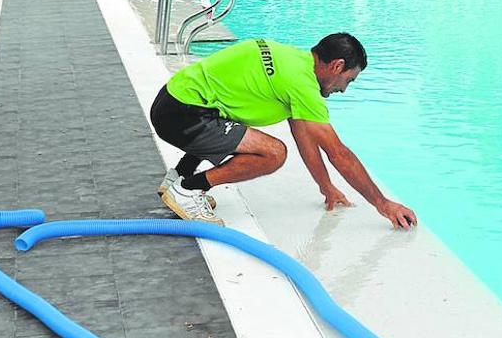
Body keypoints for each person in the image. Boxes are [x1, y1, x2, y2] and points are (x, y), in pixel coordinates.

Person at [150, 33, 417, 230]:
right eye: (348, 80)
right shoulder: (302, 84)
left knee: (231, 120)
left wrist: (326, 187)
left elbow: (306, 138)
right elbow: (339, 154)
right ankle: (188, 190)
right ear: (337, 66)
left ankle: (178, 177)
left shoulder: (293, 61)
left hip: (172, 102)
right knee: (273, 153)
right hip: (183, 115)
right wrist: (383, 203)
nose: (343, 90)